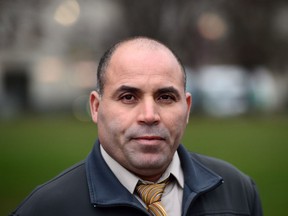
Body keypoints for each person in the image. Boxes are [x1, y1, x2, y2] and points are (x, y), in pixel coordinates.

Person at [10, 36, 263, 216]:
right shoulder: (45, 208)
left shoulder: (238, 191)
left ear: (186, 108)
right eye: (128, 97)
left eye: (165, 97)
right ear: (96, 108)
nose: (150, 115)